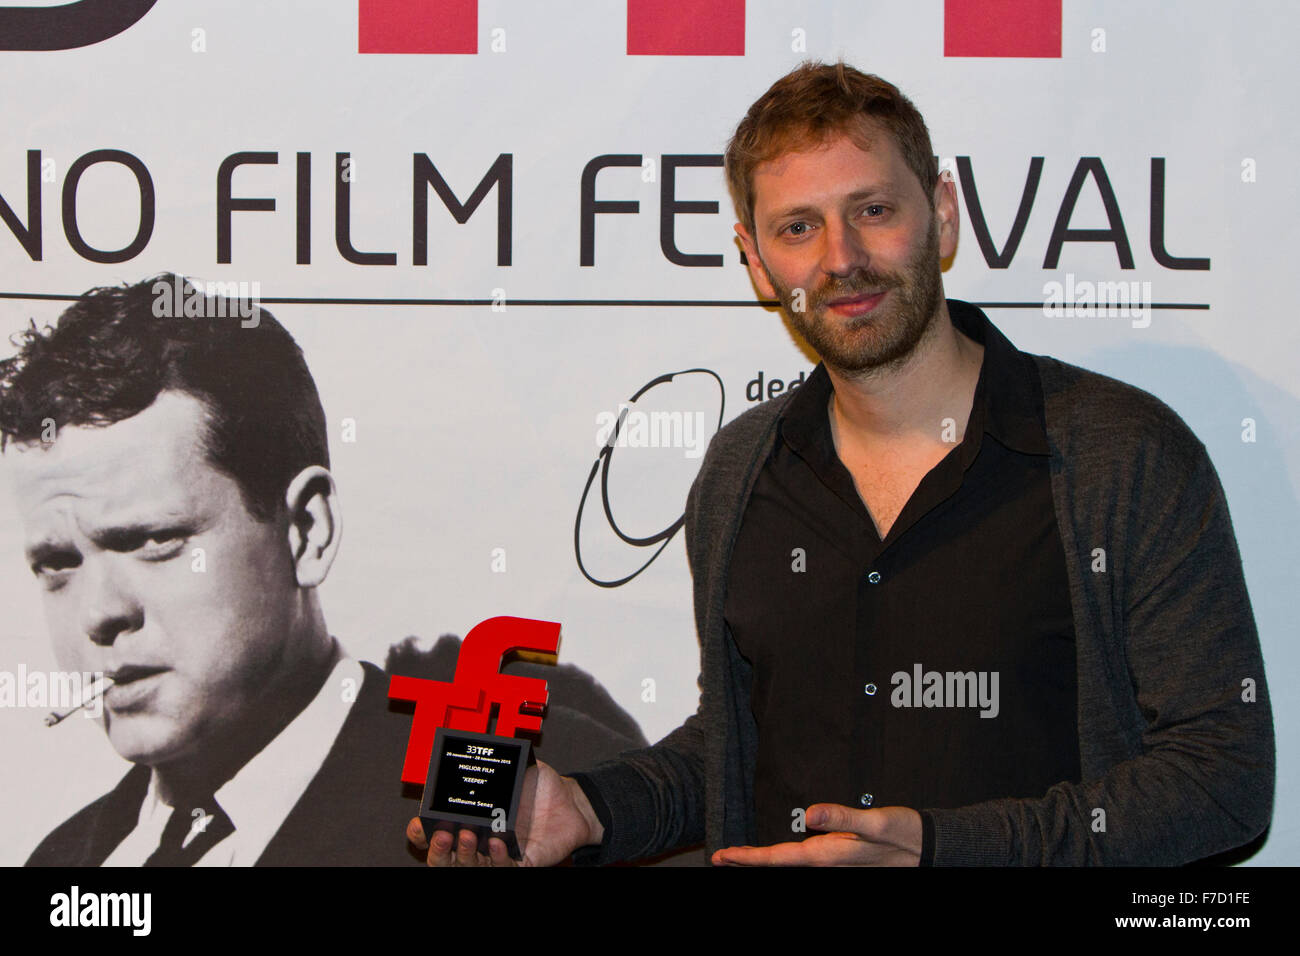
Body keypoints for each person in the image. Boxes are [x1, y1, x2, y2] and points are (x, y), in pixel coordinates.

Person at [410, 61, 1275, 867]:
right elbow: (738, 743)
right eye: (798, 228)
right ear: (756, 261)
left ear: (941, 212)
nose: (840, 260)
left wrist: (941, 849)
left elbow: (1223, 778)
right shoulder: (743, 471)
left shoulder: (1121, 454)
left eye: (872, 210)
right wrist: (592, 810)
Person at [1, 274, 646, 866]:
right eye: (57, 564)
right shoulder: (62, 860)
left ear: (308, 532)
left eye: (153, 540)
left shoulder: (523, 798)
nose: (98, 613)